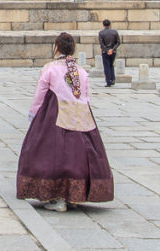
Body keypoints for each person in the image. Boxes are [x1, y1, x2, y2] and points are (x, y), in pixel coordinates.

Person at [16, 32, 113, 211]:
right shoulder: (81, 72)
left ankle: (56, 196)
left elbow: (40, 95)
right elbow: (85, 96)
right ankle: (75, 195)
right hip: (82, 117)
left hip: (55, 116)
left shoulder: (50, 69)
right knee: (79, 155)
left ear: (56, 47)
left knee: (52, 154)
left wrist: (34, 114)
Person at [98, 19, 121, 87]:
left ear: (103, 25)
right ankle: (112, 79)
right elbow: (118, 42)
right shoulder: (114, 32)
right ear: (110, 24)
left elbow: (101, 43)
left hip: (105, 52)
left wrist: (107, 50)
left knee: (106, 66)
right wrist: (112, 49)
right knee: (111, 65)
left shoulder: (101, 33)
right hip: (113, 51)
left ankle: (108, 81)